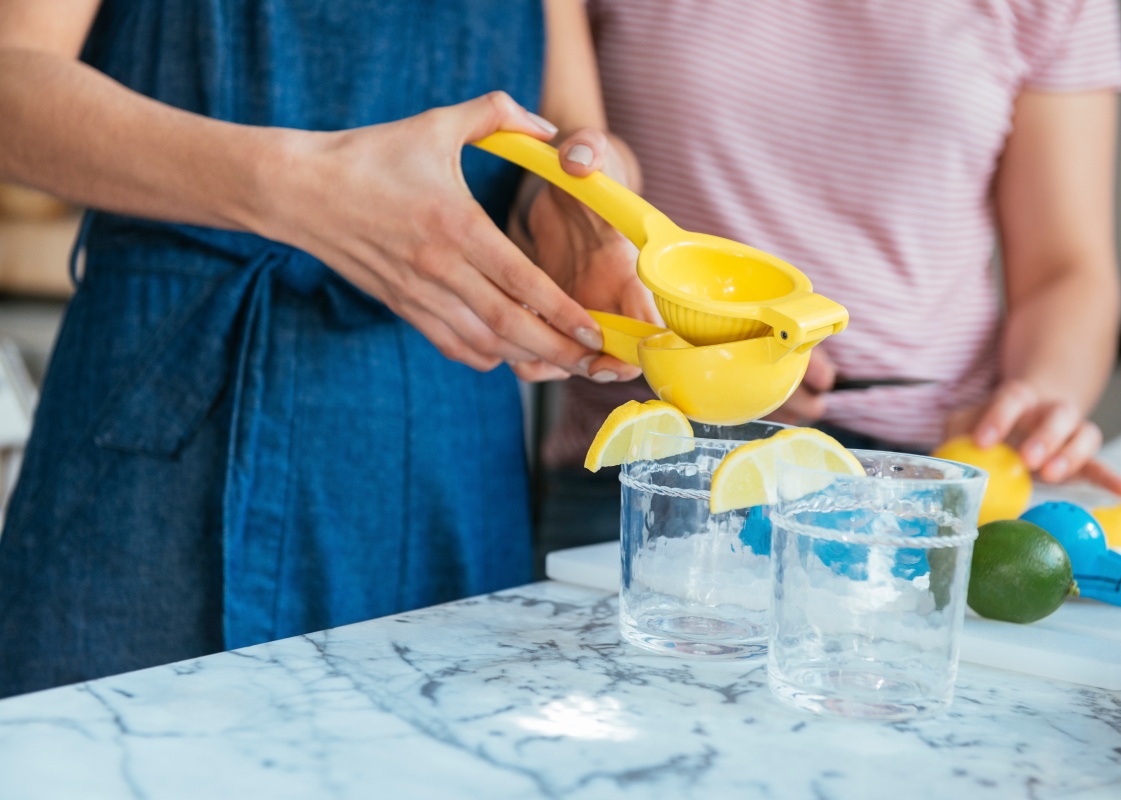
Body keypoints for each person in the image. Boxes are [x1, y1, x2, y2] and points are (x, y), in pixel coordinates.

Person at [0, 0, 645, 698]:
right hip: (167, 425)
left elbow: (572, 133)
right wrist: (294, 184)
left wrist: (588, 205)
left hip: (447, 444)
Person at [539, 0, 1121, 555]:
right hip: (657, 465)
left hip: (923, 475)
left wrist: (1037, 394)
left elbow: (1065, 269)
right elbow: (564, 170)